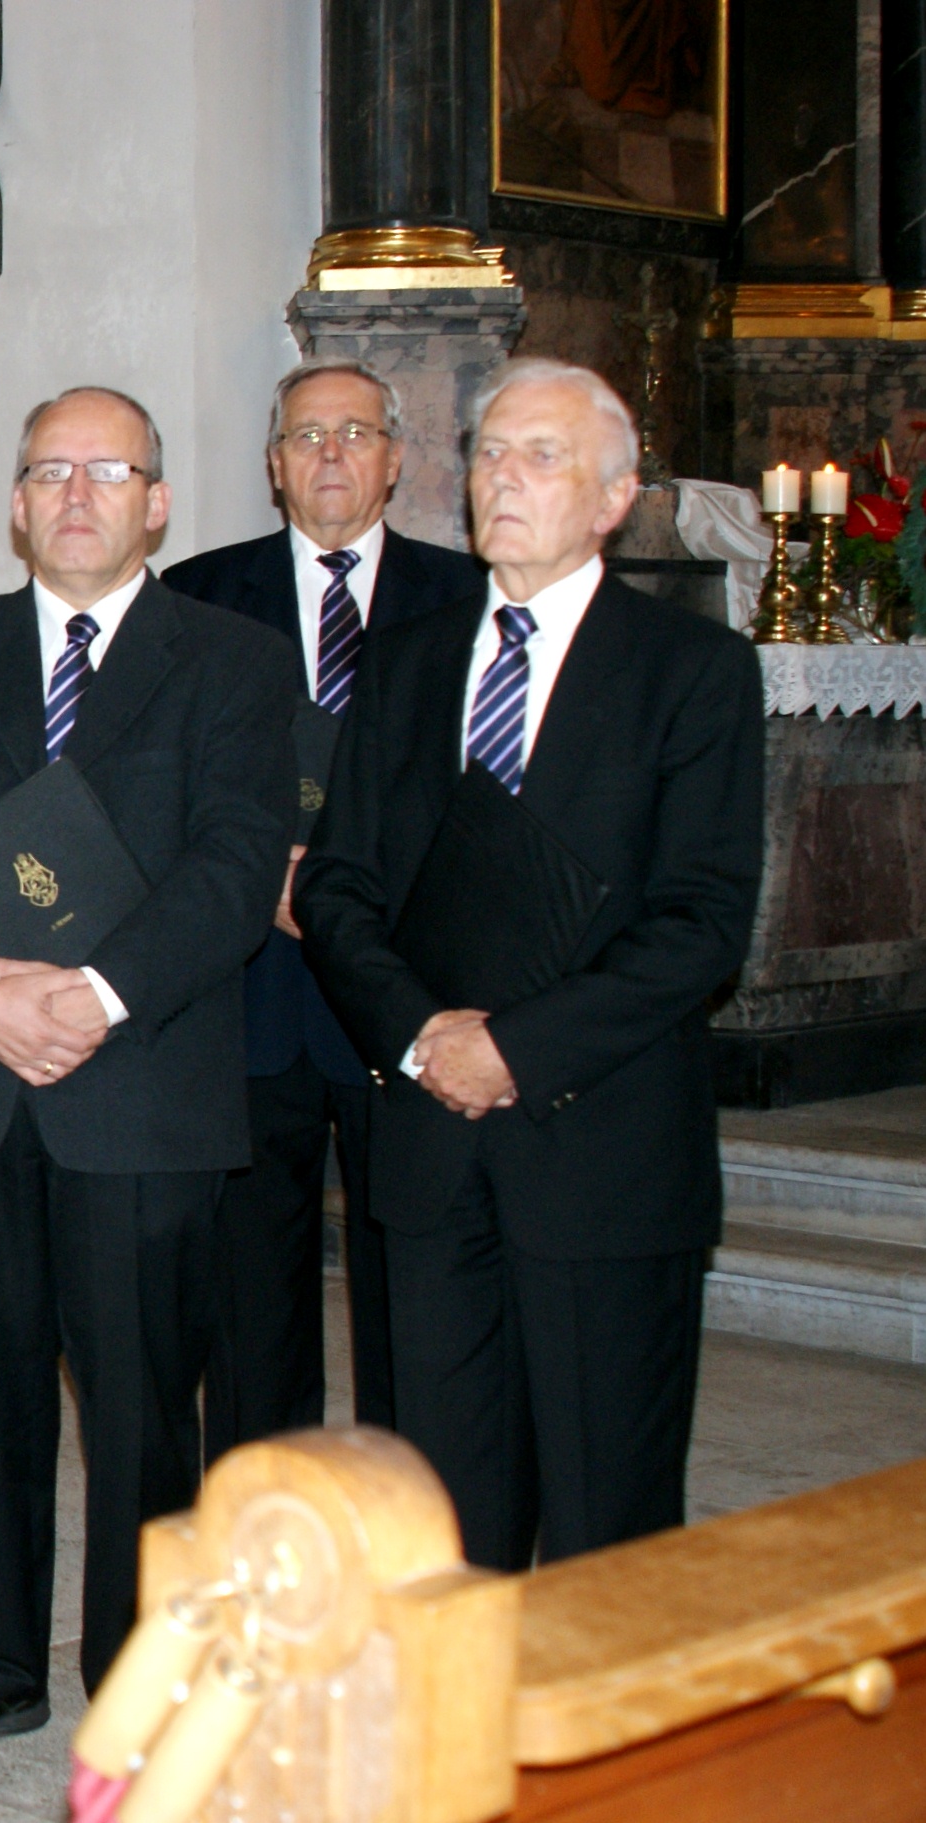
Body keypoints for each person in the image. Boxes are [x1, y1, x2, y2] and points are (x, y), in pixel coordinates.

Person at [0, 387, 295, 1753]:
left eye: (107, 470)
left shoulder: (230, 659)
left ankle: (141, 1673)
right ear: (15, 503)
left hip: (139, 1081)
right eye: (49, 470)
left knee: (140, 1407)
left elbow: (234, 865)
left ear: (155, 501)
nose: (75, 493)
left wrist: (91, 997)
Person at [296, 358, 763, 1574]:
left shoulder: (689, 670)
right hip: (428, 1151)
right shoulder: (402, 662)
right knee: (446, 1527)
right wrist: (420, 1037)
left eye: (540, 456)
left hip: (600, 1154)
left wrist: (511, 1048)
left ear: (612, 498)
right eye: (490, 453)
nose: (502, 478)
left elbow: (700, 921)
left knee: (608, 1527)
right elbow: (337, 888)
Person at [159, 360, 486, 1455]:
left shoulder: (467, 598)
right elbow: (155, 783)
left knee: (416, 1295)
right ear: (273, 465)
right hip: (248, 989)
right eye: (306, 435)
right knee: (251, 1307)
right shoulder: (197, 595)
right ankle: (267, 1514)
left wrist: (348, 891)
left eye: (354, 432)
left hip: (405, 989)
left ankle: (409, 1507)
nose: (331, 453)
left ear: (394, 459)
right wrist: (262, 874)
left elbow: (487, 794)